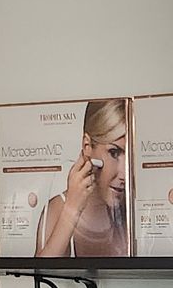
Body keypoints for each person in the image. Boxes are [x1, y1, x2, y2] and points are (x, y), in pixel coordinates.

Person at [35, 98, 132, 257]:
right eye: (114, 153)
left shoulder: (131, 208)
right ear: (87, 146)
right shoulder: (58, 208)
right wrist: (72, 209)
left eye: (130, 155)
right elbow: (43, 274)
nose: (124, 173)